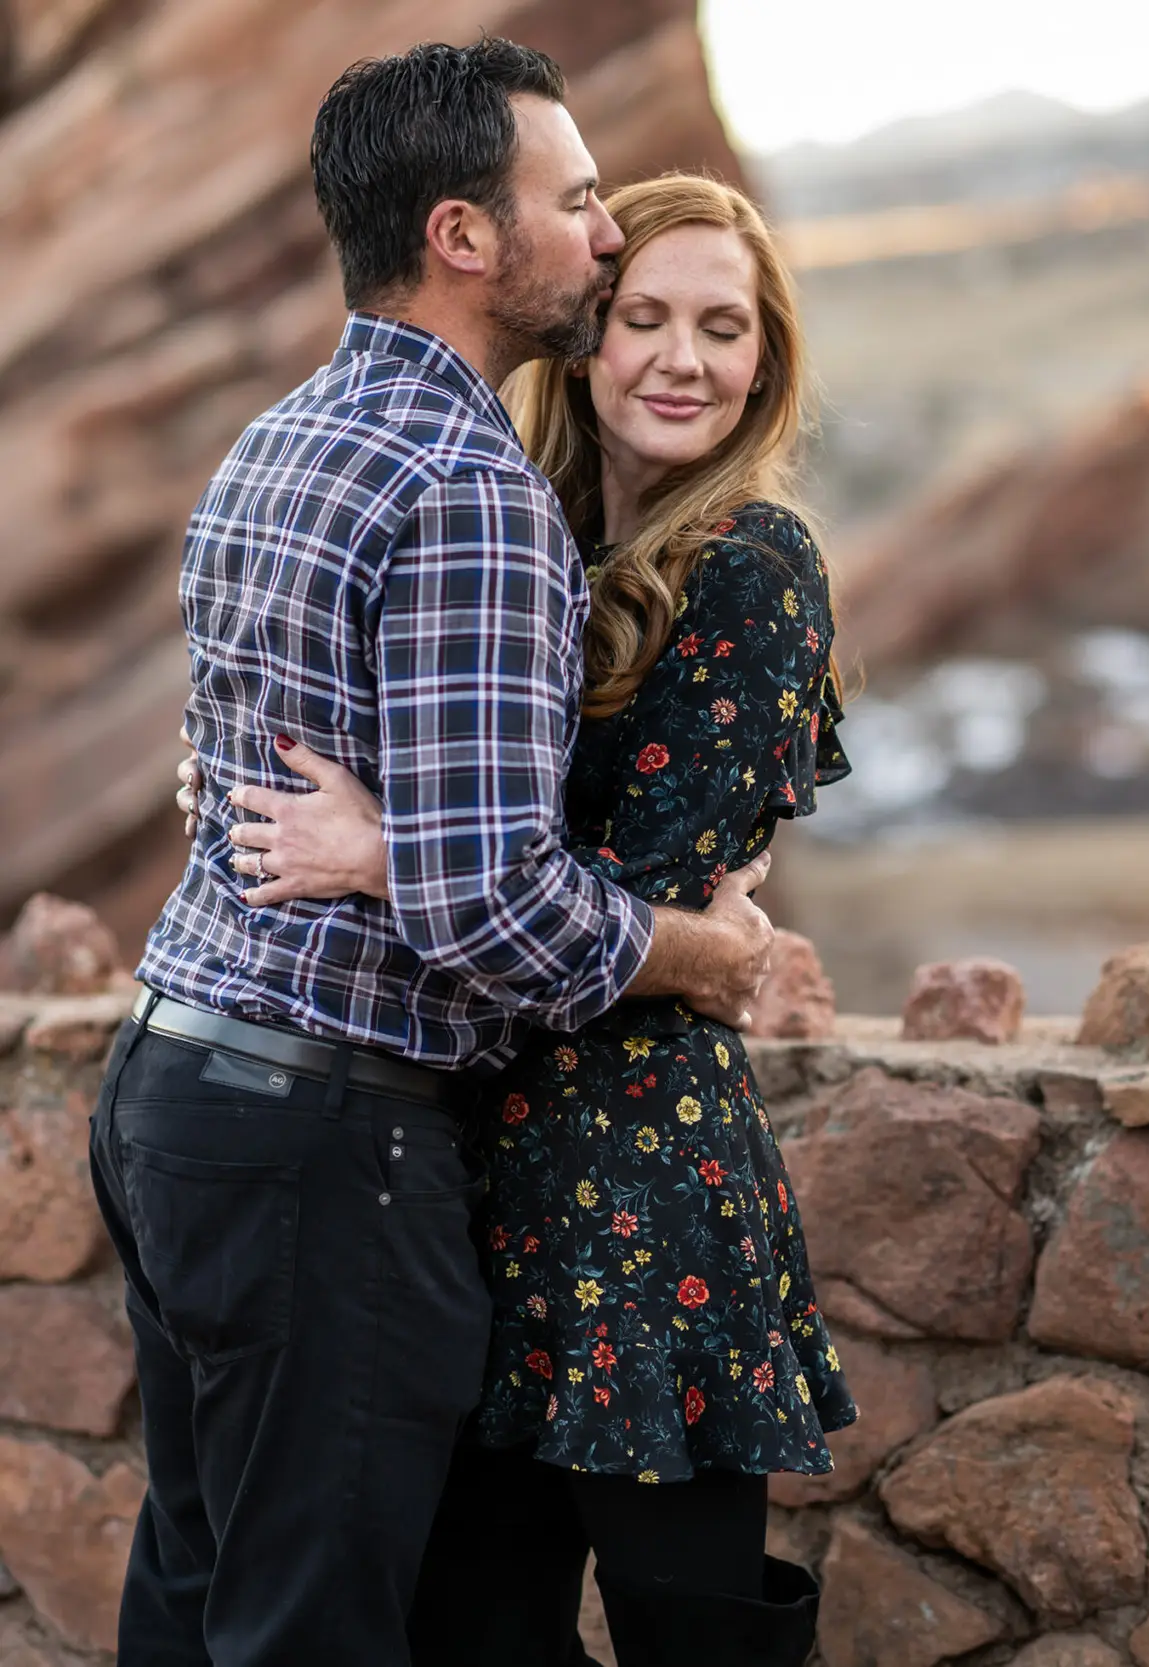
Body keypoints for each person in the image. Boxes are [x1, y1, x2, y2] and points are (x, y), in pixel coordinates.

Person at [100, 40, 780, 1667]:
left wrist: (378, 844)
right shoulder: (475, 489)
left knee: (193, 1601)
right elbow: (494, 909)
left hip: (172, 1087)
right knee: (312, 1632)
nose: (606, 238)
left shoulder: (279, 440)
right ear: (468, 236)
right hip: (324, 1136)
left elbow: (228, 762)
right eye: (580, 203)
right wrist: (708, 949)